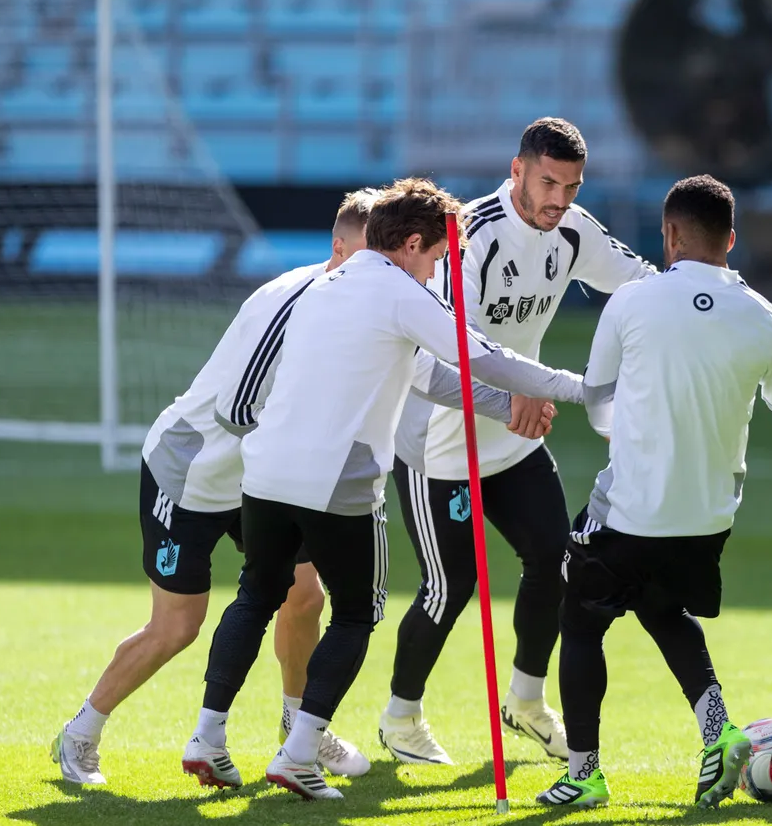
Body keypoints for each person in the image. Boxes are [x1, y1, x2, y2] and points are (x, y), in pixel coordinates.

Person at [182, 177, 586, 801]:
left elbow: (428, 374)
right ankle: (298, 752)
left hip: (262, 474)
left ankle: (206, 738)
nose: (437, 273)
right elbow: (480, 354)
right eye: (437, 259)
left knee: (255, 597)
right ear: (413, 243)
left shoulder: (325, 285)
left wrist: (505, 405)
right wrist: (575, 388)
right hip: (338, 482)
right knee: (355, 615)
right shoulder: (399, 290)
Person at [50, 190, 386, 786]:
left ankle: (298, 728)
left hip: (263, 478)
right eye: (367, 254)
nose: (377, 271)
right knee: (178, 625)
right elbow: (236, 412)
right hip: (192, 471)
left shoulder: (363, 310)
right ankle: (80, 733)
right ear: (339, 248)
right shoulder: (292, 300)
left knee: (304, 594)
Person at [535, 176, 772, 809]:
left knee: (580, 622)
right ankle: (718, 731)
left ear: (668, 235)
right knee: (662, 606)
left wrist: (631, 432)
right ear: (731, 238)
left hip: (632, 509)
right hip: (706, 521)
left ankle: (584, 773)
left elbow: (596, 401)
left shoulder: (634, 301)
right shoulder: (766, 318)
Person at [382, 118, 656, 765]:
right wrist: (512, 398)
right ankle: (400, 717)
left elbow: (640, 280)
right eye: (548, 181)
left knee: (557, 563)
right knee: (450, 588)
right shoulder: (468, 236)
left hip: (514, 441)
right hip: (442, 444)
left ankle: (526, 702)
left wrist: (688, 304)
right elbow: (446, 356)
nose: (558, 197)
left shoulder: (572, 229)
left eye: (571, 185)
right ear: (517, 170)